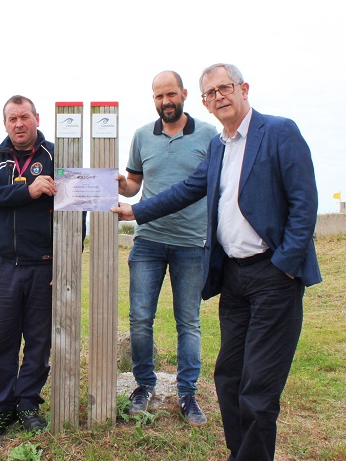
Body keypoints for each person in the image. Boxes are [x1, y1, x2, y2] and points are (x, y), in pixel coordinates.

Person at [112, 63, 321, 461]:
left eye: (225, 87)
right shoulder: (219, 146)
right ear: (205, 102)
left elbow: (303, 203)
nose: (219, 96)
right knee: (228, 377)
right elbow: (187, 190)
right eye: (212, 92)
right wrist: (135, 212)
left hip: (273, 274)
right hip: (234, 277)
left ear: (244, 88)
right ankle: (238, 452)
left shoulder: (279, 131)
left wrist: (285, 265)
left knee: (258, 388)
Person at [118, 70, 217, 425]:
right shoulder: (142, 136)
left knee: (188, 322)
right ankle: (144, 385)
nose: (165, 102)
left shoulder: (209, 135)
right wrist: (121, 185)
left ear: (185, 94)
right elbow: (134, 185)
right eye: (159, 97)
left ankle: (187, 393)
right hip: (148, 241)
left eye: (171, 95)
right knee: (141, 319)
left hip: (191, 243)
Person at [0, 95, 56, 442]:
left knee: (38, 341)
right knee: (2, 340)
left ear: (36, 117)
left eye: (24, 117)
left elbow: (77, 209)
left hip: (45, 267)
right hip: (5, 265)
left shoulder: (56, 155)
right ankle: (0, 408)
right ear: (5, 123)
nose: (18, 124)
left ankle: (27, 404)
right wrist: (27, 190)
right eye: (11, 119)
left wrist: (67, 263)